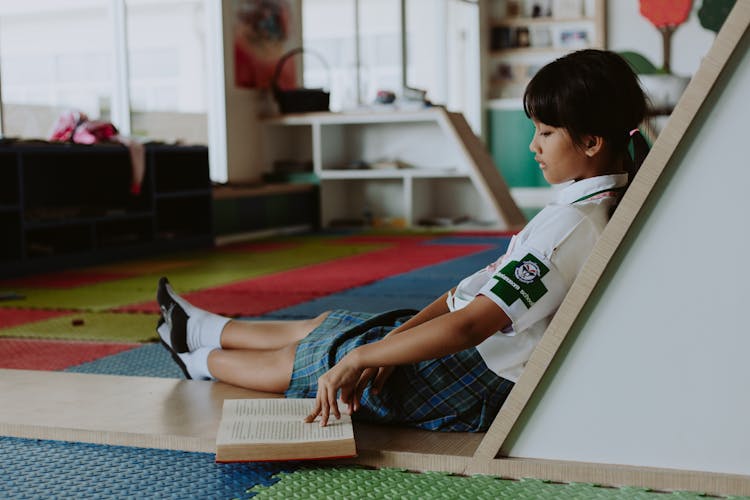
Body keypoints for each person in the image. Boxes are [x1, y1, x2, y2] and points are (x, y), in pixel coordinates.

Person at [156, 49, 650, 432]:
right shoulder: (580, 207)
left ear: (591, 142)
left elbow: (469, 328)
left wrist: (363, 357)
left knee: (320, 358)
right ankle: (200, 327)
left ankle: (197, 359)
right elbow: (473, 292)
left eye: (545, 132)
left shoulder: (572, 227)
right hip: (479, 356)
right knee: (340, 324)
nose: (532, 146)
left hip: (478, 379)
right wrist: (396, 335)